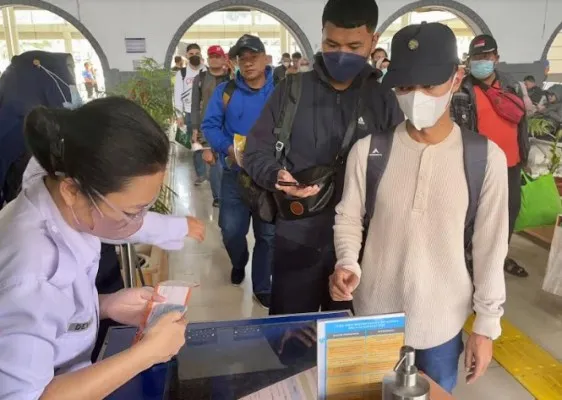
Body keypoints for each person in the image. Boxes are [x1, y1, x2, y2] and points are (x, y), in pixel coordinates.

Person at [330, 22, 508, 393]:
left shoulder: (484, 159)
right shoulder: (370, 151)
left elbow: (491, 247)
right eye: (406, 87)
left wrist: (486, 327)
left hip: (442, 325)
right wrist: (347, 261)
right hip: (373, 317)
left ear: (456, 79)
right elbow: (349, 217)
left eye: (430, 85)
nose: (417, 96)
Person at [0, 97, 207, 400]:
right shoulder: (31, 272)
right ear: (73, 191)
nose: (138, 223)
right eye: (131, 212)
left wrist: (105, 305)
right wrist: (147, 353)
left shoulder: (56, 193)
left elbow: (51, 314)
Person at [244, 0, 403, 315]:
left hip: (360, 246)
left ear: (374, 40)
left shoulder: (384, 99)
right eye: (332, 43)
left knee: (346, 343)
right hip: (297, 236)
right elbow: (255, 150)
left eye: (354, 45)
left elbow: (402, 165)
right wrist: (277, 176)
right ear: (321, 36)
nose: (341, 52)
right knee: (289, 339)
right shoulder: (292, 91)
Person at [202, 34, 276, 309]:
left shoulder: (281, 90)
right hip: (235, 173)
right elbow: (209, 125)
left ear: (265, 58)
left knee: (268, 235)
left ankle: (262, 285)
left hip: (269, 176)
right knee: (231, 230)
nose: (247, 64)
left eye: (253, 57)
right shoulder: (226, 91)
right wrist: (226, 148)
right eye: (241, 59)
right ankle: (239, 260)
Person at [451, 34, 530, 278]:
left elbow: (522, 123)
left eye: (486, 56)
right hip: (478, 165)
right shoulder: (462, 88)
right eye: (476, 57)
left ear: (496, 57)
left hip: (511, 164)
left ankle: (499, 256)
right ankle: (471, 258)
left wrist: (525, 155)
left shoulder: (511, 85)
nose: (481, 61)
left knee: (508, 214)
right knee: (474, 215)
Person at [191, 45, 230, 208]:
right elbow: (194, 105)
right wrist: (194, 129)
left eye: (217, 56)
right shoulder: (200, 79)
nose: (214, 59)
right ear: (207, 59)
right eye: (211, 56)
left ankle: (229, 195)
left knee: (228, 162)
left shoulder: (231, 79)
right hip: (208, 126)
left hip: (228, 126)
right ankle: (218, 197)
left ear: (223, 59)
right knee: (213, 162)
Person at [174, 43, 207, 185]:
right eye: (191, 54)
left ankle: (214, 173)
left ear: (201, 54)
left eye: (197, 53)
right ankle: (201, 174)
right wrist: (179, 114)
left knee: (211, 143)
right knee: (196, 144)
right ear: (186, 56)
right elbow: (177, 95)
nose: (194, 56)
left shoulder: (208, 71)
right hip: (189, 114)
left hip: (207, 113)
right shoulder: (181, 73)